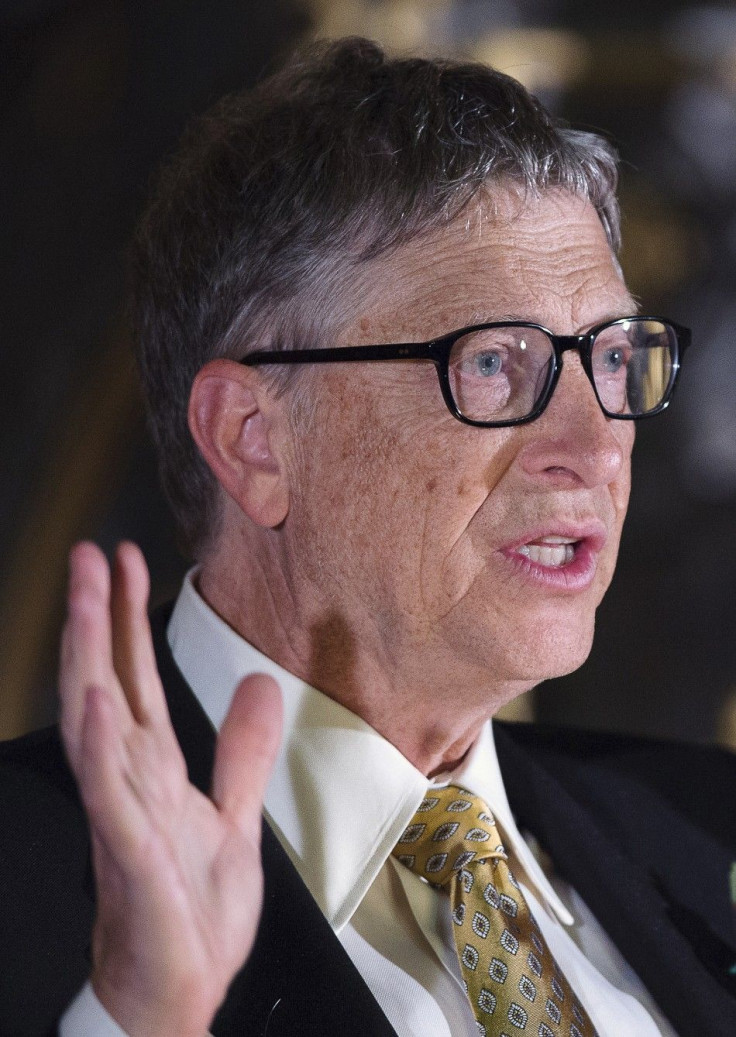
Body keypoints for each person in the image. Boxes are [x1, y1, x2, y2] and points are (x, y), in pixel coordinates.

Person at [1, 36, 735, 1037]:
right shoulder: (31, 889)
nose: (595, 445)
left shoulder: (701, 836)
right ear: (253, 439)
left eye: (610, 357)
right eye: (492, 363)